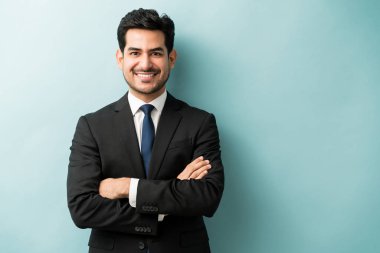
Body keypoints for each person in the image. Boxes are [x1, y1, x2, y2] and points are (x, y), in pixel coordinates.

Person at [67, 8, 224, 253]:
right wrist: (170, 196)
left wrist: (126, 187)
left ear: (171, 58)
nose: (145, 63)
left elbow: (207, 196)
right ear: (121, 59)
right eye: (135, 52)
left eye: (156, 53)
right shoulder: (92, 126)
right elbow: (82, 208)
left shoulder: (200, 123)